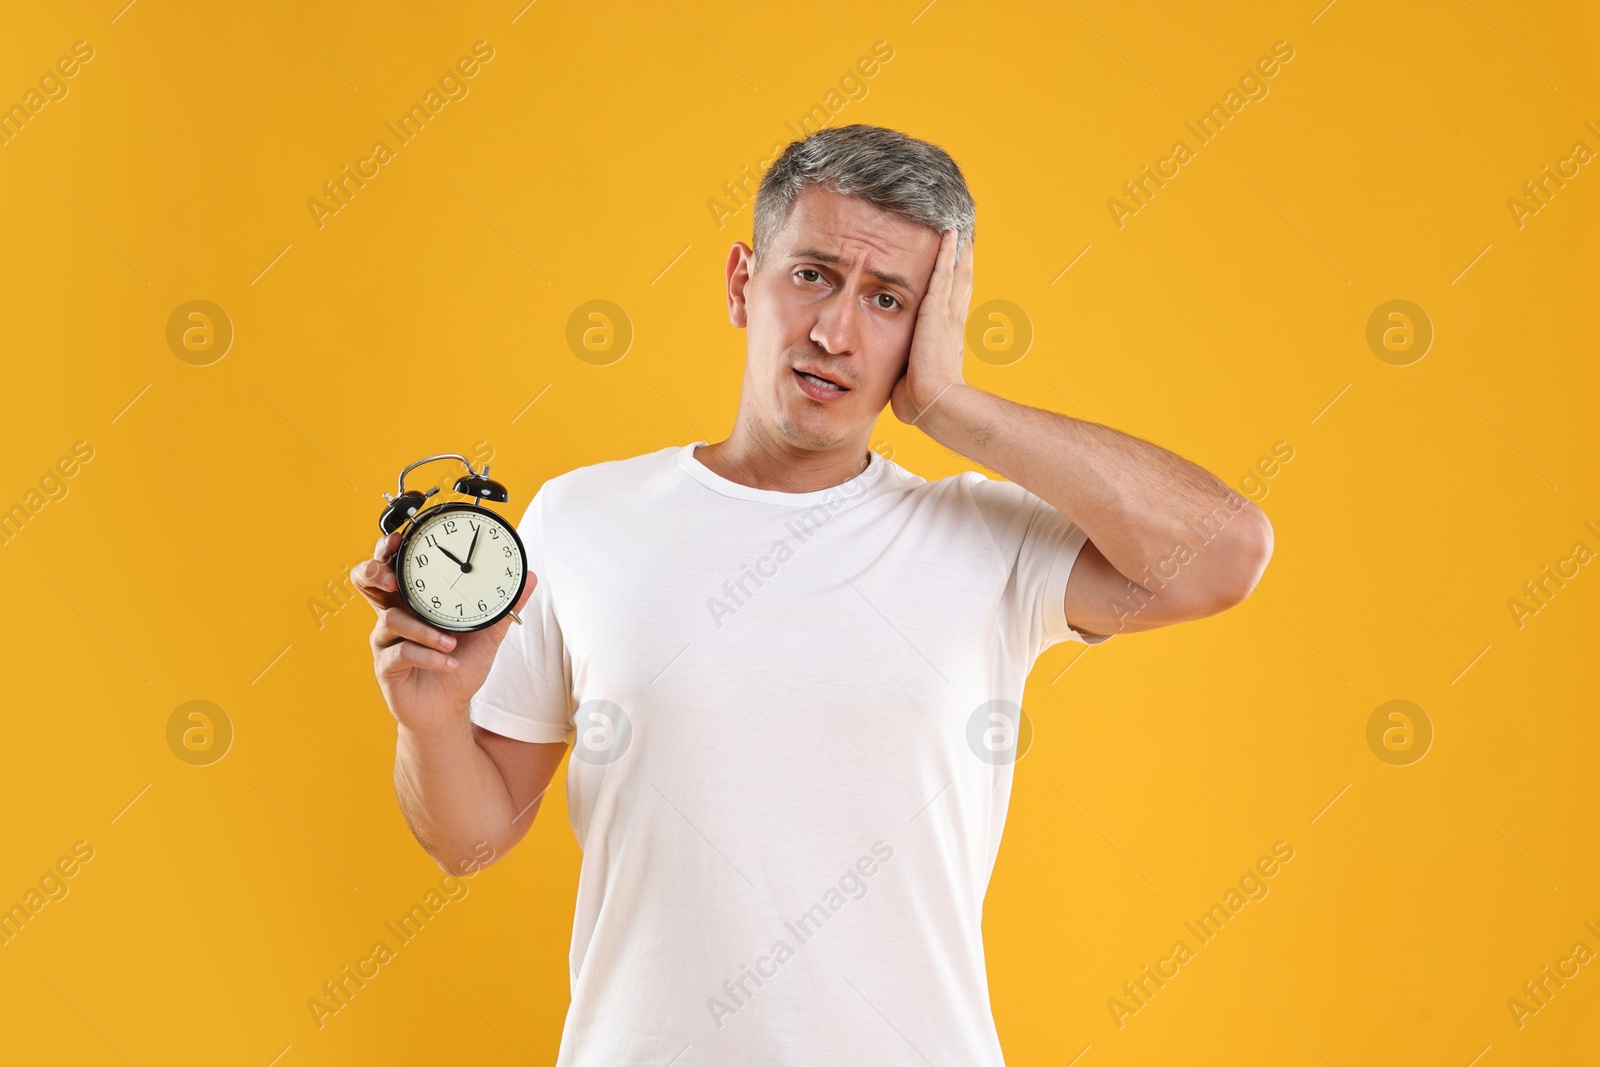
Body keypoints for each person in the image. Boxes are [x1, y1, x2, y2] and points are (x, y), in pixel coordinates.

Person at [353, 124, 1272, 1064]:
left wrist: (950, 404)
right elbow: (467, 842)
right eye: (814, 275)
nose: (836, 332)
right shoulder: (582, 519)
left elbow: (1226, 553)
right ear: (741, 281)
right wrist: (432, 721)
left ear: (928, 330)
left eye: (888, 300)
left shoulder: (986, 542)